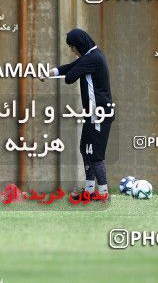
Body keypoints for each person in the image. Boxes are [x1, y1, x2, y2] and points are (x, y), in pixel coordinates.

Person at [41, 28, 114, 200]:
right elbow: (69, 68)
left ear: (80, 44)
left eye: (73, 47)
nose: (72, 51)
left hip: (99, 114)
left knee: (95, 154)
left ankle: (103, 193)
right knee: (85, 149)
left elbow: (70, 76)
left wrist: (62, 75)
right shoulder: (89, 57)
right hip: (93, 114)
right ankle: (89, 191)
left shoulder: (93, 58)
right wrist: (48, 73)